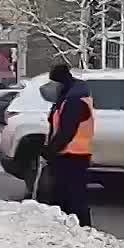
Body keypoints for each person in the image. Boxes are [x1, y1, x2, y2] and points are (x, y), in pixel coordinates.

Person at [42, 63, 95, 227]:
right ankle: (67, 230)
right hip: (68, 154)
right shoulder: (68, 97)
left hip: (73, 155)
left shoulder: (74, 101)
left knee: (74, 199)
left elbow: (67, 131)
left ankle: (83, 231)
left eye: (55, 83)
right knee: (63, 198)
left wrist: (51, 151)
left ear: (62, 82)